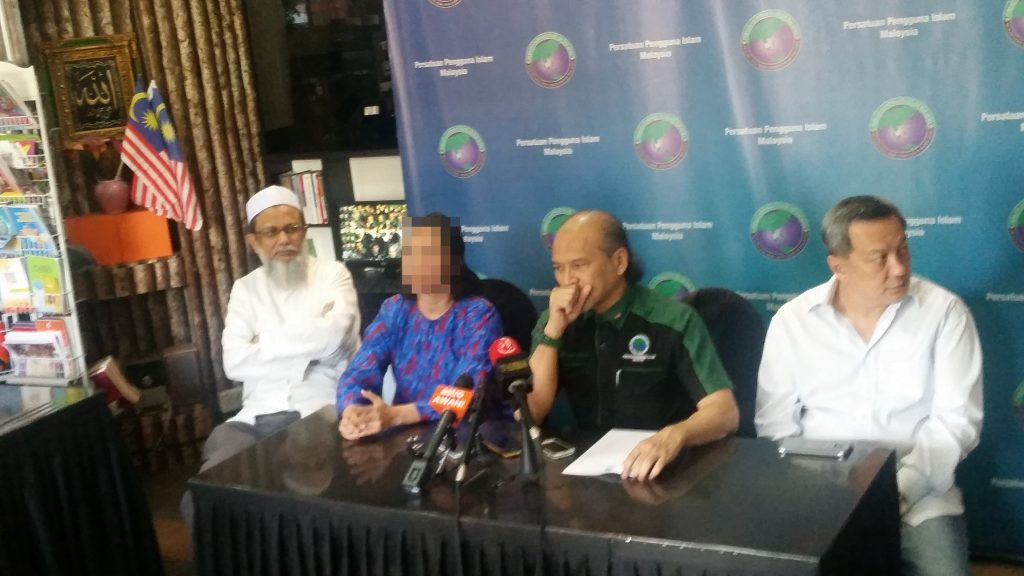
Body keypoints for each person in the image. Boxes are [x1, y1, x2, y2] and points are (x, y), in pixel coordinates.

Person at [755, 195, 983, 576]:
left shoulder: (945, 314)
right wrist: (818, 494)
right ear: (838, 266)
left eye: (903, 249)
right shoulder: (793, 321)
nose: (899, 268)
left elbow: (957, 424)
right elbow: (775, 426)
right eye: (880, 257)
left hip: (918, 494)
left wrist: (896, 492)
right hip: (818, 493)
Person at [181, 185, 360, 524]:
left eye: (292, 228)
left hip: (319, 411)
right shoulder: (246, 289)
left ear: (304, 232)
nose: (284, 240)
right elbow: (234, 362)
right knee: (203, 499)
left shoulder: (333, 274)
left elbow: (335, 338)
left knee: (301, 505)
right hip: (255, 417)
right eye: (271, 232)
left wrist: (264, 342)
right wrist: (311, 341)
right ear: (254, 241)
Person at [527, 210, 739, 481]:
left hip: (662, 473)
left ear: (619, 262)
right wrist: (553, 331)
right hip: (587, 473)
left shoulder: (673, 320)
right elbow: (531, 412)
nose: (568, 280)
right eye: (558, 268)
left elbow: (724, 413)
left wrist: (676, 435)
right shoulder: (554, 321)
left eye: (579, 265)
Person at [337, 213, 502, 440]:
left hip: (464, 435)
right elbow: (359, 372)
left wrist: (396, 415)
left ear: (454, 263)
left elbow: (466, 392)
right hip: (405, 435)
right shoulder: (394, 309)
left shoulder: (479, 315)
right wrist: (353, 409)